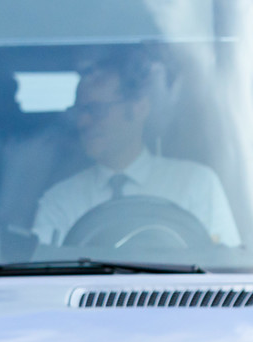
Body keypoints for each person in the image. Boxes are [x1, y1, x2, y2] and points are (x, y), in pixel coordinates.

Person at [32, 55, 239, 248]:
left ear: (139, 108)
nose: (83, 122)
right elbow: (42, 277)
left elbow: (225, 267)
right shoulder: (60, 201)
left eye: (97, 110)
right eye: (80, 111)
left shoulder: (196, 184)